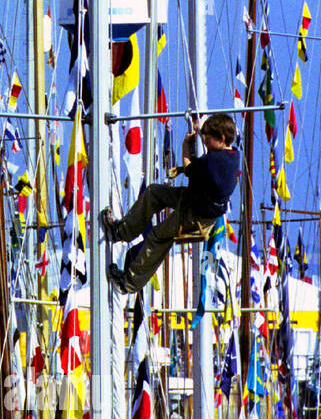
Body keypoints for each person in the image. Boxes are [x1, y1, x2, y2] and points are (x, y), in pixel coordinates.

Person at [100, 113, 241, 294]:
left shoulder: (215, 161)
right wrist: (199, 130)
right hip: (194, 200)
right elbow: (201, 168)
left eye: (208, 140)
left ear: (221, 139)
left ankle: (127, 283)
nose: (205, 144)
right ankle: (120, 231)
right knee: (153, 193)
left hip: (196, 215)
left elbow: (190, 167)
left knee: (157, 237)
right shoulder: (232, 155)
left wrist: (185, 147)